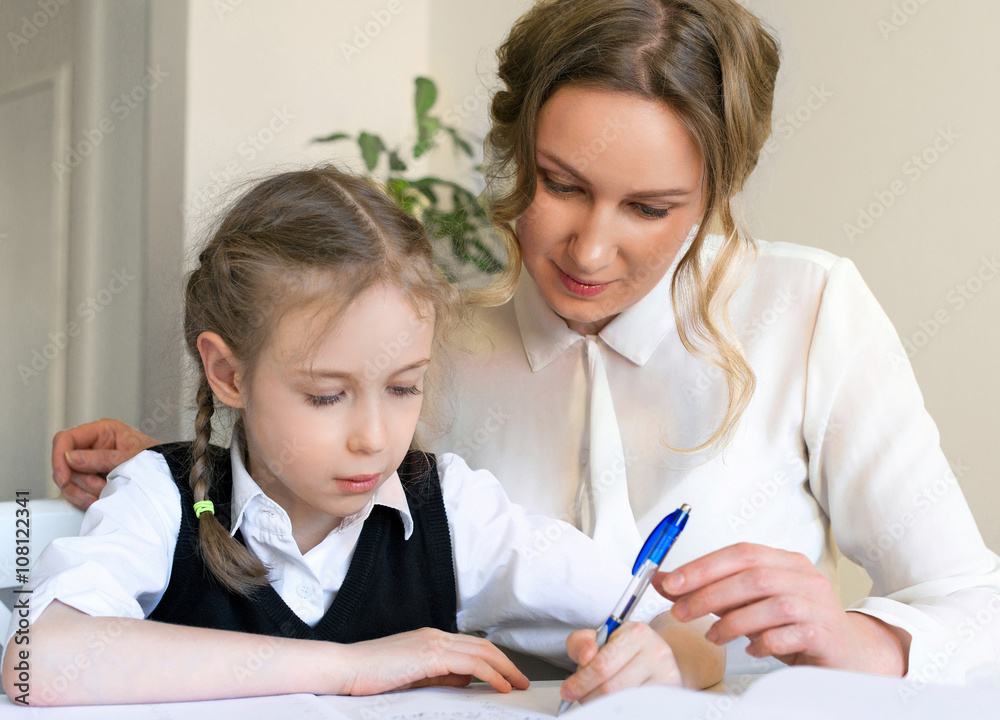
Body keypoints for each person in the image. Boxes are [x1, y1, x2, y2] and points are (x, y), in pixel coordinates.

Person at [48, 0, 1000, 688]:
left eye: (650, 208)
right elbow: (303, 484)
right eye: (562, 184)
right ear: (516, 154)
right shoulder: (432, 345)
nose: (589, 251)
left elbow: (977, 610)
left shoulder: (810, 307)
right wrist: (192, 470)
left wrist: (858, 640)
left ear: (717, 193)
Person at [2, 167, 724, 707]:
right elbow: (38, 661)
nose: (375, 439)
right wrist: (350, 668)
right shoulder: (160, 496)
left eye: (404, 387)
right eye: (326, 395)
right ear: (228, 373)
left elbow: (689, 634)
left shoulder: (453, 511)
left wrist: (664, 661)